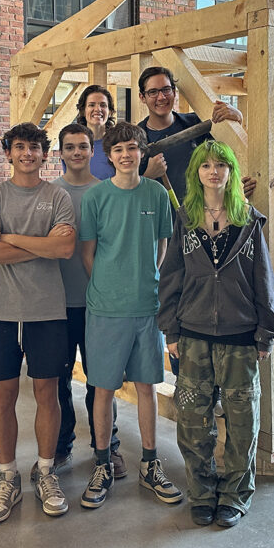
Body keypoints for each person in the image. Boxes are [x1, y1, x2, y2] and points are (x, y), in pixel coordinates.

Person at [158, 140, 274, 529]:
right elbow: (171, 275)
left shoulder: (248, 219)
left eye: (221, 165)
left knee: (242, 423)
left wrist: (265, 331)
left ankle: (235, 494)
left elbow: (265, 279)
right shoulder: (186, 217)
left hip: (241, 337)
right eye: (206, 165)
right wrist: (171, 329)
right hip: (192, 335)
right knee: (193, 421)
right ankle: (202, 491)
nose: (214, 171)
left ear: (230, 172)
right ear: (196, 172)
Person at [0, 122, 76, 523]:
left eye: (35, 148)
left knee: (48, 393)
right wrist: (41, 246)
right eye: (20, 147)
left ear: (44, 154)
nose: (27, 154)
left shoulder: (58, 196)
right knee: (3, 397)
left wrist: (12, 238)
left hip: (47, 311)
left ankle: (46, 472)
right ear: (8, 153)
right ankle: (7, 477)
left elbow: (65, 247)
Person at [78, 121, 182, 509]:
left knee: (146, 388)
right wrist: (110, 286)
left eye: (133, 149)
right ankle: (103, 464)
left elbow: (162, 244)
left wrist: (146, 283)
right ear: (109, 155)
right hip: (106, 309)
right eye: (118, 149)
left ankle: (151, 465)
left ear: (142, 153)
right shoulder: (95, 197)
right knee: (103, 390)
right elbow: (87, 253)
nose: (126, 155)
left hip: (147, 309)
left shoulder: (156, 194)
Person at [52, 122, 126, 478]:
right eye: (70, 147)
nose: (77, 152)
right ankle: (62, 444)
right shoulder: (50, 193)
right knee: (60, 380)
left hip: (100, 304)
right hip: (58, 303)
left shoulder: (108, 191)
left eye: (83, 146)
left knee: (102, 380)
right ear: (61, 153)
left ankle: (108, 446)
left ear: (92, 151)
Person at [137, 66, 243, 203]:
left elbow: (228, 154)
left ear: (174, 92)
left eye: (166, 89)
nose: (161, 97)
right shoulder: (135, 138)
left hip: (200, 217)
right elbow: (125, 191)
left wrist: (237, 118)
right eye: (153, 92)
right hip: (155, 218)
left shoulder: (197, 124)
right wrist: (148, 176)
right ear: (142, 97)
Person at [75, 84, 116, 179]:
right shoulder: (73, 145)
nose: (98, 109)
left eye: (103, 105)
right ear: (83, 111)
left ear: (110, 111)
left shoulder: (117, 144)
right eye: (91, 105)